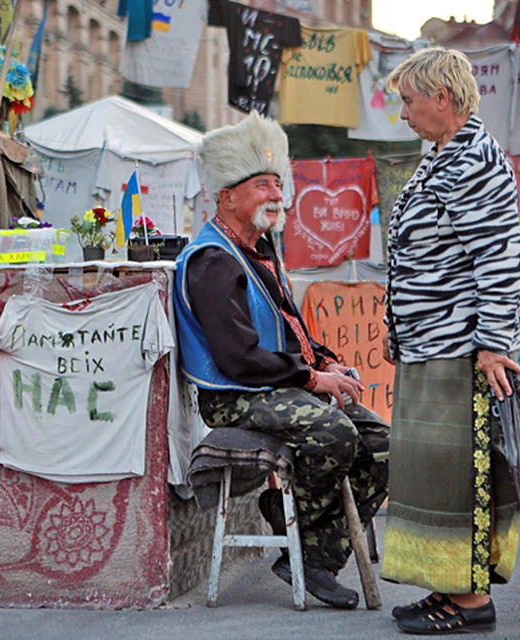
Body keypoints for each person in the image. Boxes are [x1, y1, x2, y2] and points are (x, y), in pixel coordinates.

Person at [174, 112, 389, 610]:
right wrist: (312, 379)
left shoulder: (260, 250)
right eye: (262, 186)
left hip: (277, 384)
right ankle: (283, 514)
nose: (277, 195)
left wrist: (327, 364)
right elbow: (238, 359)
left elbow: (290, 330)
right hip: (235, 396)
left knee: (381, 443)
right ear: (227, 197)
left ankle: (314, 556)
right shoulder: (213, 260)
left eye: (279, 184)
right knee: (334, 434)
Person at [379, 47, 520, 635]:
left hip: (459, 349)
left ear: (443, 98)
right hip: (429, 344)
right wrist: (400, 327)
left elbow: (500, 256)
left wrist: (492, 343)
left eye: (409, 102)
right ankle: (447, 588)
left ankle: (470, 603)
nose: (405, 114)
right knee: (433, 478)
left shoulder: (473, 163)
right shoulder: (441, 156)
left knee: (460, 477)